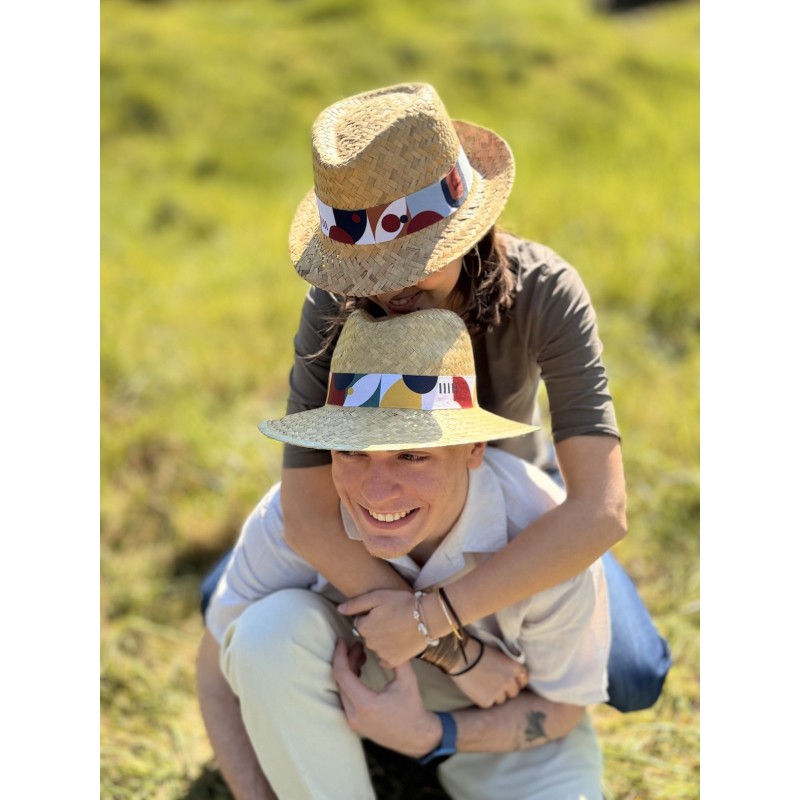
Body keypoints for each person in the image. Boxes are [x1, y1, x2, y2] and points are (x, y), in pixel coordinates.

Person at [200, 82, 670, 712]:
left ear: (467, 230)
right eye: (369, 266)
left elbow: (600, 511)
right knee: (228, 606)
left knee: (635, 675)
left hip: (511, 501)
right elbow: (308, 513)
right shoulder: (336, 299)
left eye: (413, 257)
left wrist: (436, 616)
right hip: (380, 503)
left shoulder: (546, 291)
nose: (387, 286)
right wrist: (450, 650)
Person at [197, 308, 611, 800]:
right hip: (347, 670)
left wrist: (430, 732)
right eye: (353, 452)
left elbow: (562, 709)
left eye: (411, 455)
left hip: (497, 716)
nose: (377, 492)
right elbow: (217, 659)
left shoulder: (542, 534)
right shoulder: (296, 518)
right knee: (266, 633)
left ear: (474, 447)